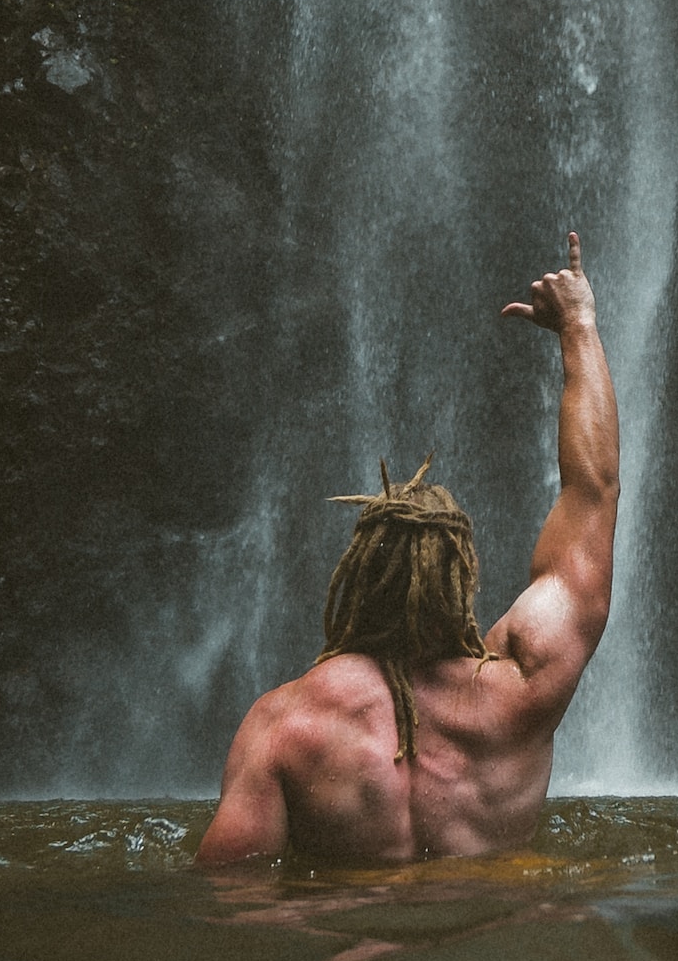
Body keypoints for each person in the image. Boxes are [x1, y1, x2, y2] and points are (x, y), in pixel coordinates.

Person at [195, 232, 618, 867]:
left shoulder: (285, 724)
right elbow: (594, 492)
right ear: (462, 576)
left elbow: (231, 890)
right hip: (492, 921)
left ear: (359, 576)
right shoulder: (523, 687)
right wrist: (579, 326)